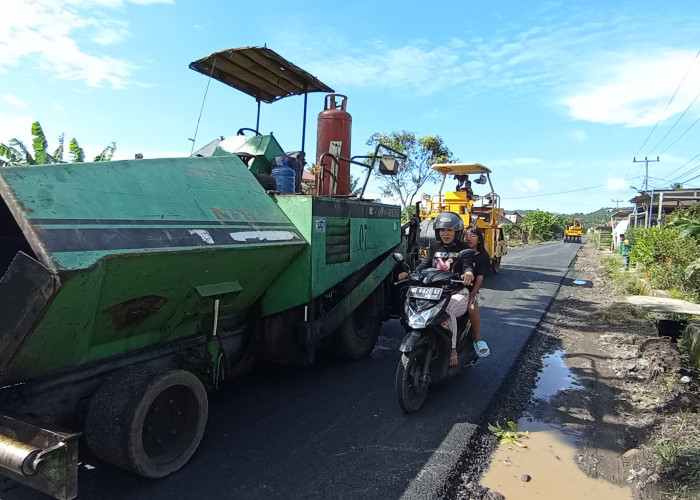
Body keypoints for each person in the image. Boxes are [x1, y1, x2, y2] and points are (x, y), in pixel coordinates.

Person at [398, 211, 475, 367]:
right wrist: (410, 273)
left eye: (449, 230)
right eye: (442, 230)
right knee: (411, 304)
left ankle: (453, 349)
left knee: (448, 310)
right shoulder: (434, 247)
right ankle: (420, 338)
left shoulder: (463, 248)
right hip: (434, 291)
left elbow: (468, 265)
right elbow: (424, 264)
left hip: (456, 291)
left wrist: (468, 273)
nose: (445, 233)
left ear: (457, 231)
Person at [462, 225, 490, 358]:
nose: (469, 238)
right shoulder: (459, 252)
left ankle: (478, 339)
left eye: (473, 236)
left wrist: (472, 294)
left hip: (469, 290)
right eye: (466, 235)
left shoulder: (482, 256)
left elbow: (479, 278)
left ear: (479, 239)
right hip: (454, 288)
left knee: (472, 308)